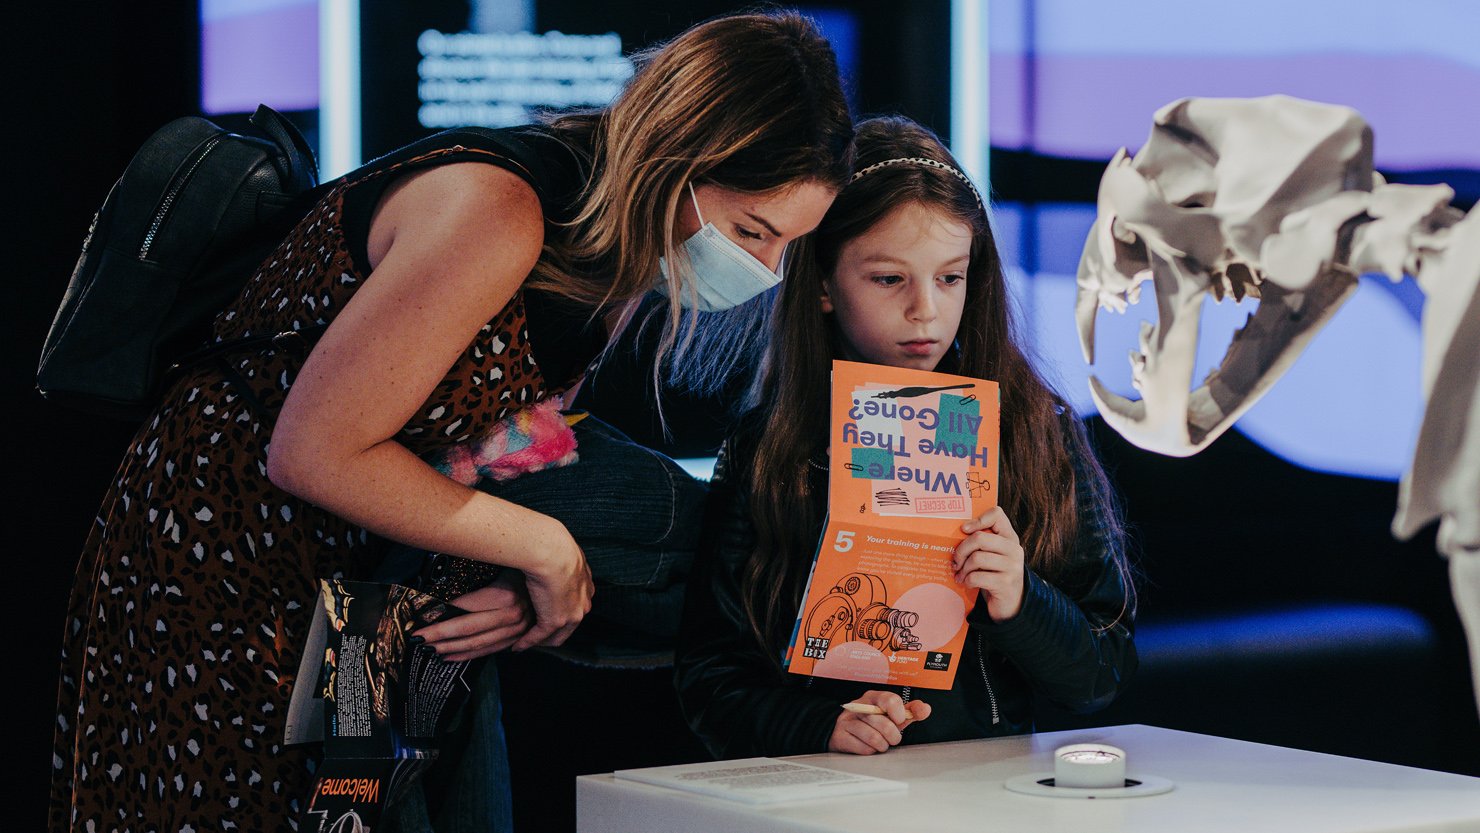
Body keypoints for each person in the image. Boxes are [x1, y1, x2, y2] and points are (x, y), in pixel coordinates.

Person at [49, 11, 852, 831]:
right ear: (678, 157)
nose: (764, 268)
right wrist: (542, 549)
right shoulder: (499, 210)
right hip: (231, 568)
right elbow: (314, 451)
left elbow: (485, 445)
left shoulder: (607, 247)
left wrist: (500, 571)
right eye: (754, 232)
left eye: (789, 247)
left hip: (370, 586)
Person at [674, 116, 1136, 758]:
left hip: (985, 795)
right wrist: (817, 724)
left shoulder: (1034, 434)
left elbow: (1100, 675)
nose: (927, 309)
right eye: (889, 279)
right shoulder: (771, 450)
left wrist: (1020, 599)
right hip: (827, 803)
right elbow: (710, 682)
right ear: (823, 284)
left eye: (950, 278)